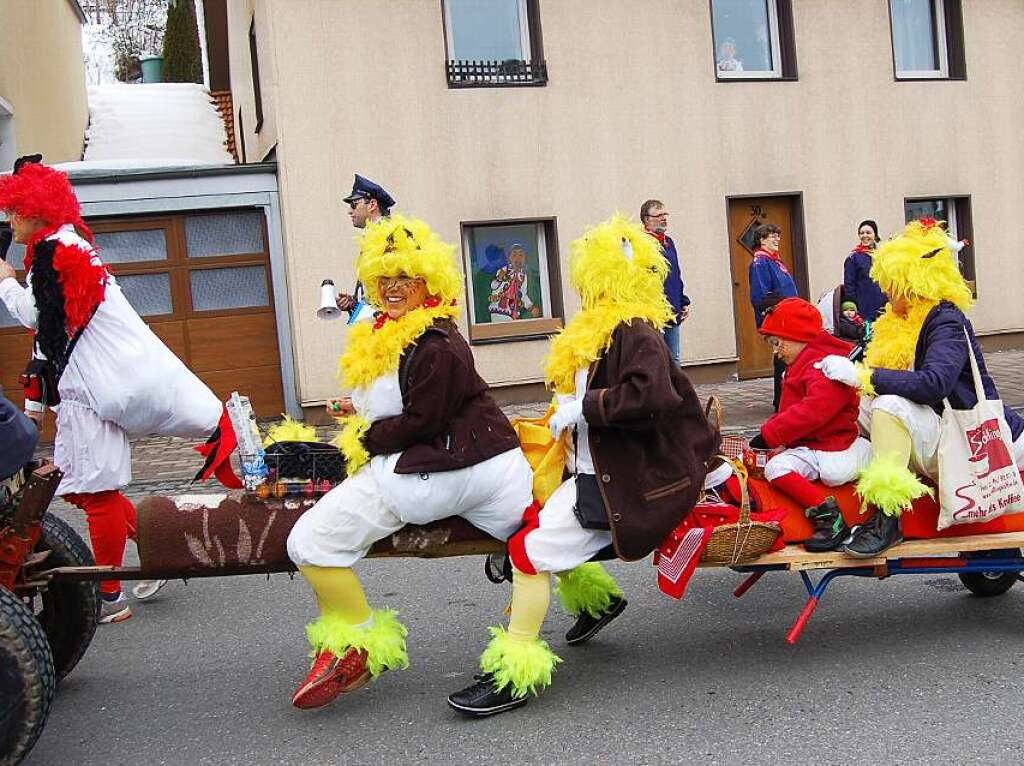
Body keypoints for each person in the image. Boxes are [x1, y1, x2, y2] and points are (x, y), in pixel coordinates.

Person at [447, 215, 717, 717]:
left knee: (528, 554)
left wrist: (588, 407)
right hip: (591, 477)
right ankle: (598, 605)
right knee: (524, 533)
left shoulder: (636, 330)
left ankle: (516, 674)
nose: (584, 286)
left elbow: (652, 396)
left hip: (630, 486)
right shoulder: (597, 330)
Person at [285, 214, 536, 711]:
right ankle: (595, 597)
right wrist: (355, 413)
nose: (393, 289)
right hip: (482, 469)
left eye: (406, 279)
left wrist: (366, 435)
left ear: (429, 283)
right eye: (385, 279)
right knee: (536, 541)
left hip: (436, 472)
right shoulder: (390, 331)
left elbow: (421, 419)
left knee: (309, 542)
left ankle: (356, 644)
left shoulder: (437, 345)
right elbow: (398, 402)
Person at [0, 161, 236, 623]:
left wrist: (6, 283)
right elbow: (52, 333)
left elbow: (38, 318)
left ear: (38, 210)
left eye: (14, 211)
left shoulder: (57, 253)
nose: (9, 221)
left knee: (97, 491)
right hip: (89, 389)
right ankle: (154, 550)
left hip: (94, 393)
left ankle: (110, 596)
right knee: (84, 491)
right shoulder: (63, 248)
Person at [817, 219, 1024, 556]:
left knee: (887, 405)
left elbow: (934, 383)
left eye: (891, 282)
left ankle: (888, 515)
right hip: (940, 432)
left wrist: (865, 377)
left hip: (973, 439)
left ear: (913, 281)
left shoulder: (946, 320)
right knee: (862, 405)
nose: (884, 290)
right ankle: (839, 492)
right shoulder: (894, 321)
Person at [748, 298, 872, 551]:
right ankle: (828, 515)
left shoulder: (824, 366)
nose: (776, 351)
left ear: (797, 337)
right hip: (817, 448)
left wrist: (770, 435)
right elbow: (792, 412)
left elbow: (812, 412)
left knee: (779, 468)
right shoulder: (804, 363)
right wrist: (771, 436)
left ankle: (832, 518)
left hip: (834, 450)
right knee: (776, 466)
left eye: (777, 342)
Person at [748, 222, 798, 410]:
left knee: (786, 359)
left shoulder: (774, 260)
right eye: (772, 236)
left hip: (788, 317)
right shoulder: (760, 263)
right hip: (778, 319)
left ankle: (785, 399)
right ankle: (782, 402)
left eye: (778, 235)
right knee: (782, 359)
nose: (778, 239)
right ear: (762, 240)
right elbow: (761, 296)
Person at [334, 174, 396, 315]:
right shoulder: (373, 237)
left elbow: (396, 291)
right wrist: (353, 304)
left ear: (372, 205)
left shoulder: (391, 236)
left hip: (392, 328)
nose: (350, 211)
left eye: (354, 205)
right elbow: (374, 295)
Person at [641, 199, 690, 365]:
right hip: (653, 311)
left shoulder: (668, 242)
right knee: (658, 357)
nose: (663, 218)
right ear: (646, 219)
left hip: (672, 308)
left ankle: (675, 391)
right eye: (658, 215)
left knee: (674, 357)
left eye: (665, 214)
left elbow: (675, 274)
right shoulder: (641, 244)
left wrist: (682, 301)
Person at [842, 219, 886, 322]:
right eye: (861, 233)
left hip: (884, 308)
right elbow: (849, 286)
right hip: (864, 310)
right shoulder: (853, 258)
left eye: (868, 232)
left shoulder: (882, 256)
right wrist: (853, 310)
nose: (864, 236)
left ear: (875, 235)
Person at [487, 243, 541, 321]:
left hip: (512, 310)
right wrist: (499, 278)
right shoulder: (504, 270)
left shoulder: (523, 276)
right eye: (514, 255)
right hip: (499, 309)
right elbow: (493, 286)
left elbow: (523, 295)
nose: (517, 258)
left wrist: (531, 307)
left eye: (521, 255)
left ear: (525, 259)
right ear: (509, 258)